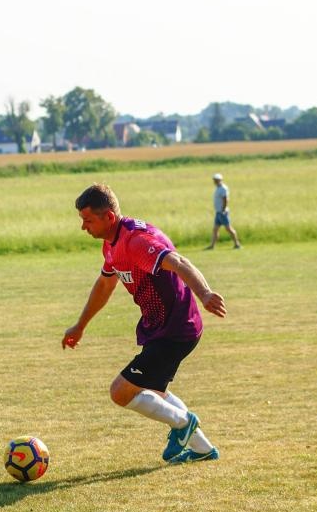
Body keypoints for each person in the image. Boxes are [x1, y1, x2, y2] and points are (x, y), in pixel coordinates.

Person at [62, 183, 226, 464]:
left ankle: (183, 424)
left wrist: (205, 293)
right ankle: (202, 449)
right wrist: (80, 325)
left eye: (88, 220)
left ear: (108, 217)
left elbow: (178, 261)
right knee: (152, 390)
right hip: (160, 326)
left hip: (175, 329)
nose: (83, 227)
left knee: (121, 391)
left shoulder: (136, 242)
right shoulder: (111, 245)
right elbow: (104, 285)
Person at [208, 172, 241, 249]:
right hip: (218, 212)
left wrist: (223, 210)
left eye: (216, 180)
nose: (215, 181)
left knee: (228, 228)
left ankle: (237, 243)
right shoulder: (218, 188)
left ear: (220, 180)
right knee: (215, 229)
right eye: (214, 180)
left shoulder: (223, 188)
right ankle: (212, 245)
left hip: (222, 212)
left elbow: (225, 199)